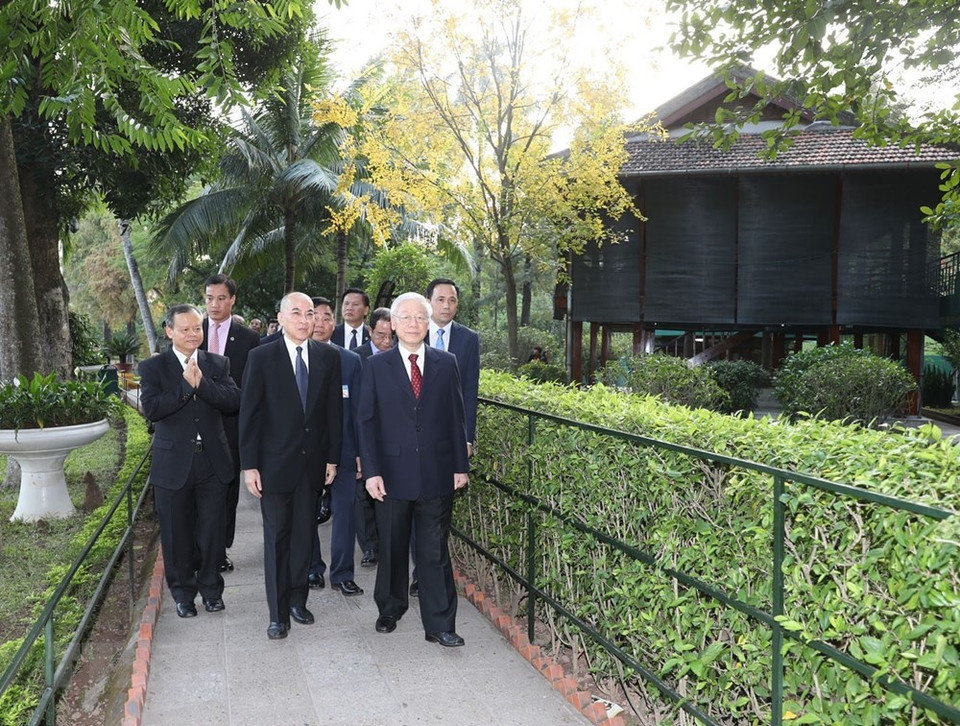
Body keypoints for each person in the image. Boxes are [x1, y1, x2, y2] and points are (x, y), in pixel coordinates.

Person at [358, 292, 469, 647]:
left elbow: (456, 416)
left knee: (434, 551)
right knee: (391, 546)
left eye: (419, 318)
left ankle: (440, 624)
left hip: (437, 472)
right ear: (391, 324)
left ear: (428, 322)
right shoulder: (375, 366)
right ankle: (390, 608)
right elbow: (365, 422)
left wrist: (459, 465)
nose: (412, 324)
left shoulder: (446, 362)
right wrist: (372, 472)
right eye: (404, 318)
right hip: (390, 474)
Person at [239, 292, 343, 640]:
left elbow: (333, 413)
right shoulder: (261, 357)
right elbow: (250, 415)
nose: (303, 319)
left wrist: (332, 457)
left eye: (309, 313)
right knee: (277, 538)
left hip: (312, 465)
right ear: (281, 318)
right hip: (273, 466)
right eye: (295, 313)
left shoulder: (328, 357)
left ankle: (299, 600)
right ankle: (277, 612)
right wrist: (250, 465)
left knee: (303, 537)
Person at [139, 304, 240, 618]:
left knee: (212, 532)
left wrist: (203, 385)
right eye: (185, 329)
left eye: (197, 327)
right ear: (169, 331)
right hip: (173, 465)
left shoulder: (217, 363)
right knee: (176, 534)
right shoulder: (153, 369)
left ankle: (212, 590)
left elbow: (233, 400)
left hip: (213, 462)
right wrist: (185, 387)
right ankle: (183, 593)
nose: (193, 334)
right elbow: (153, 410)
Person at [407, 278, 480, 598]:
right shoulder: (412, 333)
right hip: (409, 440)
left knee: (438, 512)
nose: (447, 305)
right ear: (428, 302)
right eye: (440, 299)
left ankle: (429, 573)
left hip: (446, 440)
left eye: (452, 300)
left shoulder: (468, 340)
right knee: (412, 506)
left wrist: (466, 438)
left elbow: (469, 395)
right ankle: (417, 569)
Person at [199, 273, 260, 574]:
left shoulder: (248, 339)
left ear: (232, 299)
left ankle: (221, 548)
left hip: (232, 427)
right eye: (210, 298)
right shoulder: (189, 331)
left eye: (221, 298)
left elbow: (252, 389)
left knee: (227, 490)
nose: (214, 304)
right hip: (195, 427)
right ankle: (200, 548)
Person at [307, 296, 364, 597]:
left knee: (345, 511)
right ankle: (312, 568)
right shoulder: (294, 359)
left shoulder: (350, 360)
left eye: (327, 317)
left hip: (343, 450)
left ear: (334, 322)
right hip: (307, 453)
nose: (320, 322)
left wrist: (360, 453)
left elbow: (359, 411)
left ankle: (342, 573)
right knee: (307, 512)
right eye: (313, 316)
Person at [354, 306, 393, 566]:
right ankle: (369, 546)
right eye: (380, 335)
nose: (386, 342)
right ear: (370, 331)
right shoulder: (356, 358)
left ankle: (388, 543)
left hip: (392, 439)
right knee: (362, 496)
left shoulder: (400, 356)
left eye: (391, 336)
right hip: (364, 434)